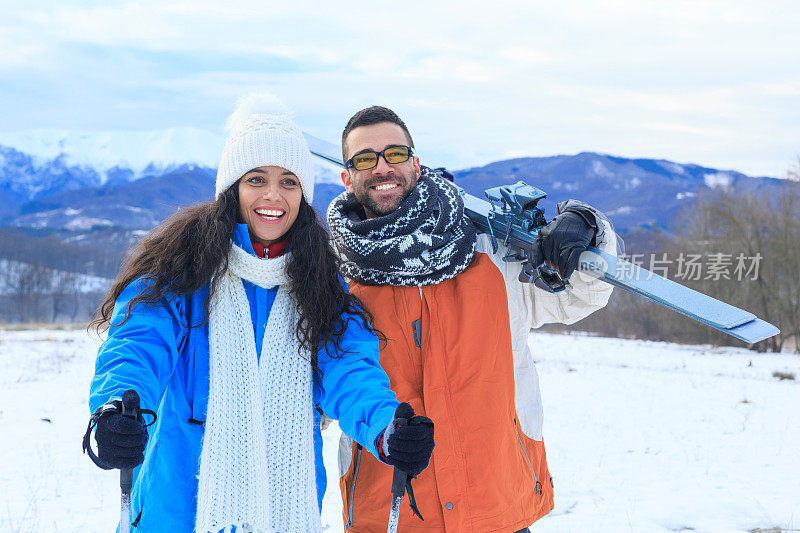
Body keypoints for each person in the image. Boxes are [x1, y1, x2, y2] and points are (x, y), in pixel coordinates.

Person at [83, 96, 434, 533]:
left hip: (286, 507)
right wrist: (116, 409)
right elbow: (136, 347)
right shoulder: (181, 273)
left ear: (302, 195)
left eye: (289, 182)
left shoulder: (321, 284)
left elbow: (350, 371)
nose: (273, 195)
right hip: (178, 510)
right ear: (232, 188)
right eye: (256, 179)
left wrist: (386, 428)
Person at [327, 106, 620, 532]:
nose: (382, 167)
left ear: (415, 162)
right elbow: (313, 391)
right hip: (390, 513)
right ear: (347, 177)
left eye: (395, 153)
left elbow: (582, 295)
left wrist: (590, 228)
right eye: (365, 159)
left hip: (497, 504)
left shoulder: (490, 254)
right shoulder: (334, 281)